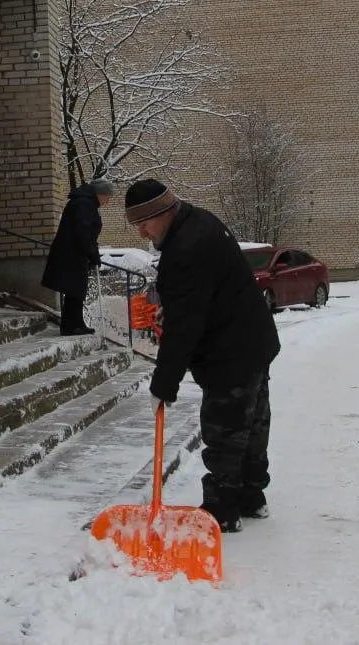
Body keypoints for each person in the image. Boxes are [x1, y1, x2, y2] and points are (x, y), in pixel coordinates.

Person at [124, 178, 280, 532]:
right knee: (253, 424)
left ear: (163, 213)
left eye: (144, 223)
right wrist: (177, 310)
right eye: (136, 225)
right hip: (253, 340)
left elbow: (185, 327)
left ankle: (222, 510)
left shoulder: (186, 249)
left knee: (225, 430)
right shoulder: (198, 221)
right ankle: (252, 496)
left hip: (230, 351)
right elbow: (201, 298)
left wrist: (163, 384)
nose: (142, 233)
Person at [42, 179, 114, 336]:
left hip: (74, 253)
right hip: (72, 254)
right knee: (75, 289)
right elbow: (83, 232)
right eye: (108, 197)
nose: (108, 201)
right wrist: (92, 254)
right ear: (101, 194)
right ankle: (72, 326)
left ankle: (75, 324)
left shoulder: (84, 203)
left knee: (75, 290)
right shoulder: (84, 204)